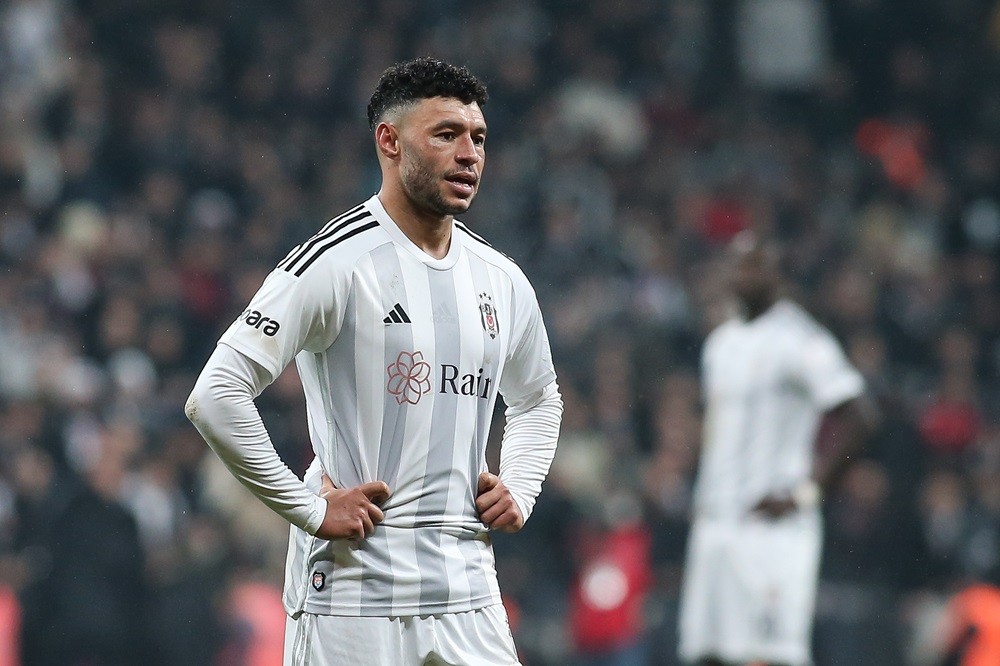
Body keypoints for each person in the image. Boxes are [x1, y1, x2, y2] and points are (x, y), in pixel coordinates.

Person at [185, 57, 563, 666]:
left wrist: (521, 483)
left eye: (478, 138)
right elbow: (216, 394)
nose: (469, 154)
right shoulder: (335, 262)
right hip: (354, 596)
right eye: (446, 135)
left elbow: (538, 398)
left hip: (468, 592)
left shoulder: (503, 281)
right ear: (389, 141)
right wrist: (307, 508)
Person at [678, 231, 877, 666]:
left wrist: (808, 492)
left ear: (776, 274)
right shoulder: (720, 344)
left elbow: (860, 415)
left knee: (770, 656)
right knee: (706, 654)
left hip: (770, 528)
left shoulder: (800, 337)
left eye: (753, 263)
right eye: (735, 263)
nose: (741, 273)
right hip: (715, 524)